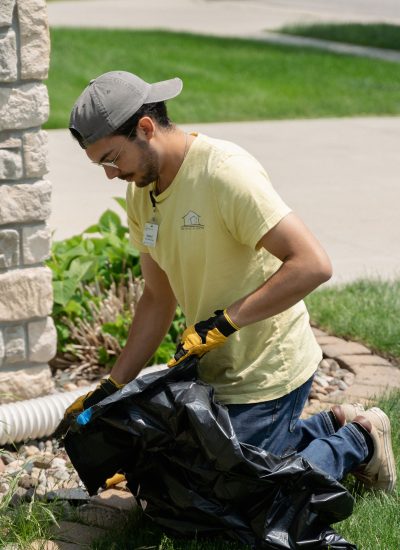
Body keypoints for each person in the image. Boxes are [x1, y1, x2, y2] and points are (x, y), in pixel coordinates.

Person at [65, 70, 396, 493]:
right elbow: (156, 297)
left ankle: (360, 439)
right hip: (212, 370)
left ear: (145, 128)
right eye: (100, 165)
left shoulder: (224, 173)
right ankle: (333, 423)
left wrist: (226, 323)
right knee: (180, 482)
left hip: (267, 366)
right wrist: (113, 386)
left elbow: (313, 264)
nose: (110, 174)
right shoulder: (140, 192)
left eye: (112, 158)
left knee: (247, 494)